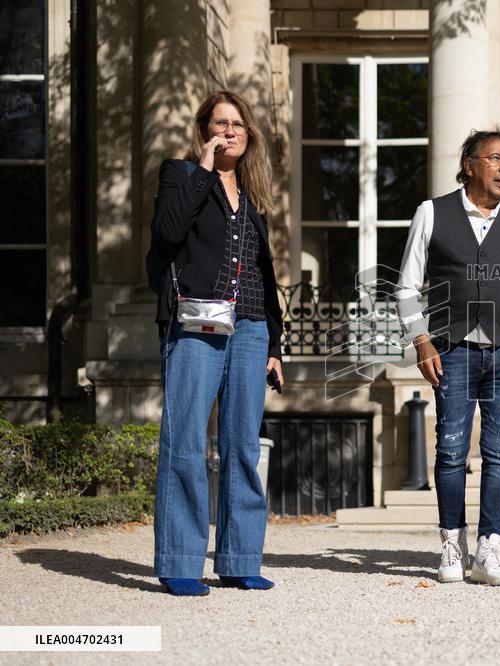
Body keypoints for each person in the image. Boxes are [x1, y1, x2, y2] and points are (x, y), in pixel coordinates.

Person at [395, 129, 500, 585]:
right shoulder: (431, 212)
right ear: (469, 165)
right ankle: (452, 543)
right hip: (451, 349)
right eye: (496, 158)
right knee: (450, 450)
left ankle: (490, 549)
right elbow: (407, 287)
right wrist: (421, 340)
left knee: (499, 452)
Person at [146, 90, 284, 596]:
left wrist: (275, 344)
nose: (229, 131)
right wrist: (203, 170)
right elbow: (167, 232)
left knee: (243, 447)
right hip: (196, 324)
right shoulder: (181, 175)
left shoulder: (253, 197)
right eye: (220, 123)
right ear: (204, 129)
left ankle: (240, 559)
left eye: (237, 124)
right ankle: (180, 562)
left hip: (250, 329)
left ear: (249, 136)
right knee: (184, 441)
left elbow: (264, 275)